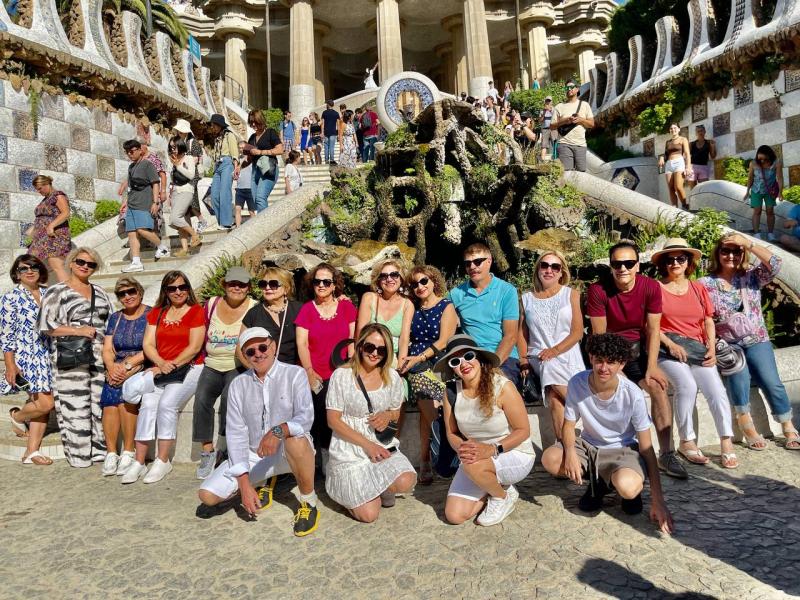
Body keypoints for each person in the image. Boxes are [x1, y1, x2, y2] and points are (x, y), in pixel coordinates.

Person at [541, 334, 674, 534]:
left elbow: (647, 447)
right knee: (550, 459)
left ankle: (619, 485)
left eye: (611, 362)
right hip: (589, 445)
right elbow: (569, 425)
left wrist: (658, 501)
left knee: (628, 489)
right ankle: (598, 485)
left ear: (622, 364)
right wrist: (569, 452)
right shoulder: (577, 383)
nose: (604, 368)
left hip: (623, 450)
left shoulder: (632, 394)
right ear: (591, 358)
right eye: (599, 360)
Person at [197, 327, 320, 537]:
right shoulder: (238, 384)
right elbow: (236, 434)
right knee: (207, 496)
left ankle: (308, 502)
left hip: (287, 452)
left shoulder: (295, 374)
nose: (258, 354)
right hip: (256, 455)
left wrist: (279, 430)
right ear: (245, 356)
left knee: (296, 439)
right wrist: (244, 484)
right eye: (250, 352)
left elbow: (305, 418)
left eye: (262, 347)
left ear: (273, 347)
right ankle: (262, 482)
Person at [586, 241, 686, 479]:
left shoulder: (650, 287)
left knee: (659, 388)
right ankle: (620, 452)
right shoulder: (598, 291)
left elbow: (653, 329)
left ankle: (666, 453)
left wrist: (651, 367)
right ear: (611, 266)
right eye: (617, 263)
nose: (623, 268)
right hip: (609, 351)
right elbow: (600, 338)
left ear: (637, 266)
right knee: (618, 390)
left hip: (636, 349)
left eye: (629, 263)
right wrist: (614, 369)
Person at [698, 233, 798, 451]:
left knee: (771, 381)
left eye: (736, 251)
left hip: (757, 338)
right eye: (725, 251)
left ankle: (788, 424)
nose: (731, 255)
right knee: (739, 376)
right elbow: (701, 316)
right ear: (718, 253)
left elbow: (776, 264)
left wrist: (749, 243)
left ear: (742, 253)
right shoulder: (705, 283)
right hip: (728, 344)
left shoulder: (752, 277)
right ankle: (745, 422)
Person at [652, 239, 737, 468]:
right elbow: (652, 326)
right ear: (664, 264)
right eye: (670, 260)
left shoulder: (697, 288)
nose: (675, 263)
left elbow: (708, 320)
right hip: (668, 350)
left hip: (699, 349)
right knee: (687, 386)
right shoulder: (656, 289)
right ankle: (687, 441)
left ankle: (726, 442)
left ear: (688, 262)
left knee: (717, 390)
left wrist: (710, 346)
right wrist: (671, 344)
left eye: (680, 258)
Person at [435, 335, 534, 526]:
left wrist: (491, 449)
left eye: (469, 356)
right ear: (452, 368)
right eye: (456, 361)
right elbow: (451, 433)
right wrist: (465, 448)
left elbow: (523, 431)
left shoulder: (502, 386)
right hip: (476, 456)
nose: (464, 364)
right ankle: (492, 484)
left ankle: (502, 497)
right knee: (455, 516)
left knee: (472, 465)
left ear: (479, 358)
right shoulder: (450, 392)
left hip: (512, 451)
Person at [325, 323, 417, 522]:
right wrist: (368, 445)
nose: (375, 353)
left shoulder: (392, 377)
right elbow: (333, 420)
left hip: (381, 442)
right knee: (369, 515)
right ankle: (355, 492)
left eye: (382, 350)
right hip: (350, 447)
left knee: (406, 481)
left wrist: (387, 415)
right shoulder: (341, 376)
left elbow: (396, 412)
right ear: (359, 346)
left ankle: (376, 487)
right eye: (370, 347)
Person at [122, 271, 205, 484]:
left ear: (188, 288)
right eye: (172, 288)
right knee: (148, 403)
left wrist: (170, 365)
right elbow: (148, 344)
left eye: (182, 287)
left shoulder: (196, 311)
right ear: (165, 291)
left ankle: (162, 460)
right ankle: (139, 461)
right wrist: (160, 363)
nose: (178, 292)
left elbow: (194, 347)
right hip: (161, 366)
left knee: (167, 404)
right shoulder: (158, 313)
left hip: (189, 367)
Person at [39, 247, 112, 467]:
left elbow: (109, 324)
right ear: (71, 263)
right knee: (75, 408)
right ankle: (80, 457)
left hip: (99, 357)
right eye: (81, 262)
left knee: (98, 406)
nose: (85, 267)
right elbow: (46, 326)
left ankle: (99, 453)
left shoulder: (100, 292)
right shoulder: (57, 292)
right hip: (70, 356)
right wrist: (78, 330)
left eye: (91, 264)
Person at [193, 267, 258, 480]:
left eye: (242, 284)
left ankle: (225, 445)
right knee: (201, 400)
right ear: (225, 285)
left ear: (248, 287)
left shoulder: (254, 307)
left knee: (229, 399)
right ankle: (207, 450)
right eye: (232, 284)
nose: (237, 288)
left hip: (237, 364)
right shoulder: (212, 304)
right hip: (212, 363)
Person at [397, 265, 457, 485]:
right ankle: (441, 454)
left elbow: (443, 341)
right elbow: (404, 337)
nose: (419, 287)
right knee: (426, 397)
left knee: (429, 407)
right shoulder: (412, 306)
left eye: (424, 281)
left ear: (434, 281)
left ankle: (427, 459)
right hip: (416, 365)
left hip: (439, 362)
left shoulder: (445, 306)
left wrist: (418, 358)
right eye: (414, 284)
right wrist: (403, 361)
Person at [518, 251, 585, 438]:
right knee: (548, 365)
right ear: (538, 268)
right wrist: (523, 361)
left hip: (568, 353)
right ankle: (589, 410)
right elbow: (521, 334)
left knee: (555, 400)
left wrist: (555, 350)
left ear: (562, 271)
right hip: (539, 357)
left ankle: (566, 450)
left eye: (555, 266)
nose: (549, 270)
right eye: (544, 265)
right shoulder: (526, 299)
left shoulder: (571, 295)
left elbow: (577, 332)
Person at [295, 263, 358, 462]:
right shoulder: (307, 310)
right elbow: (302, 343)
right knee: (318, 415)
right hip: (314, 371)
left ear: (334, 285)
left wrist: (350, 369)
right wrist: (308, 371)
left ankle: (333, 457)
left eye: (326, 282)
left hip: (340, 371)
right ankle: (320, 458)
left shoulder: (346, 306)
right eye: (317, 281)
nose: (321, 285)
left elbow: (352, 339)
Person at [2, 255, 54, 465]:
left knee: (42, 401)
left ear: (41, 271)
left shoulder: (48, 293)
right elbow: (7, 335)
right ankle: (18, 417)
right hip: (27, 355)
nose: (29, 271)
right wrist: (10, 365)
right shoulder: (10, 298)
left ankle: (31, 451)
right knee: (45, 403)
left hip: (50, 354)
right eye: (24, 269)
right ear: (17, 274)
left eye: (34, 267)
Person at [449, 243, 521, 388]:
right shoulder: (456, 294)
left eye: (477, 262)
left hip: (504, 357)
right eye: (468, 263)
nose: (473, 267)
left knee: (495, 386)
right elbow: (446, 326)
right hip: (471, 358)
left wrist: (493, 367)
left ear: (489, 261)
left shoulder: (506, 290)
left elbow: (511, 336)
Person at [100, 277, 150, 476]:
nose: (127, 296)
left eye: (131, 292)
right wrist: (111, 366)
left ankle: (129, 450)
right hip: (118, 364)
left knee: (124, 398)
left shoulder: (151, 314)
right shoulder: (115, 317)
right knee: (109, 401)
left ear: (139, 292)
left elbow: (152, 347)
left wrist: (127, 365)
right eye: (122, 294)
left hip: (141, 362)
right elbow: (106, 348)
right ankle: (111, 453)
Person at [120, 139, 170, 273]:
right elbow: (130, 186)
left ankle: (162, 247)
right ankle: (136, 262)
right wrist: (125, 202)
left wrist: (155, 202)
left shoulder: (148, 165)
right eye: (127, 152)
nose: (129, 154)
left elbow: (155, 183)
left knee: (142, 229)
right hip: (132, 202)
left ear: (139, 150)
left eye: (131, 151)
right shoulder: (131, 167)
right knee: (131, 232)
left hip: (145, 201)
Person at [355, 259, 414, 368]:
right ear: (378, 280)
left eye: (394, 275)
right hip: (368, 355)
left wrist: (401, 365)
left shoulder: (407, 304)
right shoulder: (369, 298)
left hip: (391, 359)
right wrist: (359, 360)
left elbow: (404, 339)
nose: (389, 279)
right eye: (384, 276)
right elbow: (360, 333)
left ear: (401, 278)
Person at [241, 267, 303, 364]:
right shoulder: (253, 313)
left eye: (273, 284)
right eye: (263, 284)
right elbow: (240, 348)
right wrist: (256, 371)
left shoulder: (299, 309)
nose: (267, 287)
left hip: (295, 369)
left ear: (286, 289)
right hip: (264, 369)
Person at [27, 175, 70, 282]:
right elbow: (42, 218)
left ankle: (69, 293)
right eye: (37, 189)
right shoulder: (45, 199)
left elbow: (65, 213)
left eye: (40, 188)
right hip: (41, 238)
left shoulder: (58, 195)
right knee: (29, 262)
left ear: (47, 184)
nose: (38, 191)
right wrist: (33, 230)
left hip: (55, 235)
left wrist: (51, 226)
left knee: (56, 264)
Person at [241, 110, 283, 213]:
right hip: (255, 170)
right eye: (251, 122)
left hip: (268, 168)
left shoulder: (270, 132)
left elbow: (280, 150)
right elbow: (250, 158)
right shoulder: (252, 138)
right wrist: (239, 167)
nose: (253, 124)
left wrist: (260, 152)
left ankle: (265, 225)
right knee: (256, 199)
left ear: (261, 120)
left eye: (256, 122)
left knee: (260, 198)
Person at [167, 137, 202, 258]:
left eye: (174, 147)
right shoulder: (173, 160)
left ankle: (195, 235)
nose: (173, 150)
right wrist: (169, 193)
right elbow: (173, 179)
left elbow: (191, 175)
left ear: (180, 145)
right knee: (181, 221)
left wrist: (178, 166)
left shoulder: (188, 158)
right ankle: (185, 249)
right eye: (171, 147)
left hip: (186, 190)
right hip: (176, 192)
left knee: (175, 218)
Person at [172, 118, 208, 234]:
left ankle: (201, 220)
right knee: (186, 202)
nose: (179, 133)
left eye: (181, 131)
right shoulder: (180, 141)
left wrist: (186, 160)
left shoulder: (193, 142)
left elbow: (198, 158)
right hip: (182, 174)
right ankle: (189, 226)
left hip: (192, 175)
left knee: (191, 199)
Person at [551, 79, 594, 172]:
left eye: (571, 87)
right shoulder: (559, 106)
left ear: (577, 89)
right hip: (564, 143)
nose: (569, 89)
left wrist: (581, 120)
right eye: (566, 88)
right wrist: (565, 121)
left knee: (581, 172)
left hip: (580, 144)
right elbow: (552, 126)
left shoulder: (585, 105)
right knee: (567, 173)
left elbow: (591, 124)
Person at [744, 145, 783, 241]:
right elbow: (750, 178)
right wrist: (747, 191)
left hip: (770, 191)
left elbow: (780, 178)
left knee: (770, 211)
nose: (761, 161)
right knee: (757, 211)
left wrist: (780, 192)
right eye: (759, 158)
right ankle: (757, 233)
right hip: (756, 190)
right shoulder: (753, 163)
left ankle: (770, 234)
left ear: (768, 155)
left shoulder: (776, 163)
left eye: (763, 158)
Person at [208, 113, 239, 230]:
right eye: (212, 125)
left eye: (214, 125)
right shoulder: (217, 138)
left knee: (225, 193)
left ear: (220, 125)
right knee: (214, 195)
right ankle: (221, 221)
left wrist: (236, 167)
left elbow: (234, 152)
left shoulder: (229, 135)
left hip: (227, 164)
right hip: (217, 166)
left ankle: (226, 223)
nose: (213, 127)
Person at [657, 123, 692, 210]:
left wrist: (688, 166)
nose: (673, 130)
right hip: (669, 164)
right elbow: (666, 154)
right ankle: (674, 209)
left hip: (679, 163)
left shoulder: (683, 139)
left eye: (675, 128)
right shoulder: (668, 142)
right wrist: (661, 157)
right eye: (671, 128)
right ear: (670, 130)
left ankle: (685, 205)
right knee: (671, 188)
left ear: (679, 129)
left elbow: (687, 153)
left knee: (678, 187)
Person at [234, 141, 255, 228]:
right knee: (237, 209)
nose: (241, 149)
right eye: (240, 148)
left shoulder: (252, 158)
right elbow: (234, 172)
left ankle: (254, 227)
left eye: (243, 147)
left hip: (249, 188)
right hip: (239, 188)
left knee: (251, 211)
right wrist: (234, 175)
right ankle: (238, 228)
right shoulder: (237, 160)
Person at [321, 100, 340, 165]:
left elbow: (322, 124)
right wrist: (338, 134)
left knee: (326, 147)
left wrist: (322, 132)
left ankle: (326, 161)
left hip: (326, 132)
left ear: (328, 105)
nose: (326, 105)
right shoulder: (336, 113)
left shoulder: (324, 113)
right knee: (332, 147)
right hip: (333, 132)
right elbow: (338, 124)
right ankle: (332, 160)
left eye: (326, 104)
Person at [539, 97, 555, 161]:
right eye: (547, 101)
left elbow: (556, 118)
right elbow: (540, 121)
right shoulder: (542, 110)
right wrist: (544, 112)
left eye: (549, 101)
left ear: (551, 102)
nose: (548, 102)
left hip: (554, 128)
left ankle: (556, 159)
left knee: (555, 143)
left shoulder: (554, 109)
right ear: (545, 102)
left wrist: (550, 110)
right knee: (544, 145)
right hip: (545, 129)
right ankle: (543, 160)